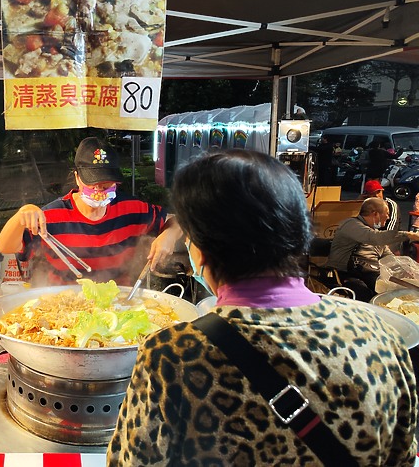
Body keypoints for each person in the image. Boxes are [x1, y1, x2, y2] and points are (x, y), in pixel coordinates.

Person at [108, 150, 417, 466]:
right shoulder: (383, 339)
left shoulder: (173, 355)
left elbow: (132, 461)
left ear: (198, 252)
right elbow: (403, 458)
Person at [0, 136, 182, 286]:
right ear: (77, 177)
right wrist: (21, 215)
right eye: (92, 182)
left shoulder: (132, 210)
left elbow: (181, 220)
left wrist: (170, 233)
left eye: (106, 183)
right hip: (61, 307)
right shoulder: (50, 217)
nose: (99, 190)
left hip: (119, 303)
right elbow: (5, 247)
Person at [325, 197, 419, 301]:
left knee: (396, 292)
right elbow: (373, 237)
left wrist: (405, 270)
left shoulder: (376, 235)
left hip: (369, 273)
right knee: (365, 293)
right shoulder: (351, 224)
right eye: (386, 213)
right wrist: (408, 235)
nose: (388, 217)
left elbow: (389, 258)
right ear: (375, 214)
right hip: (343, 274)